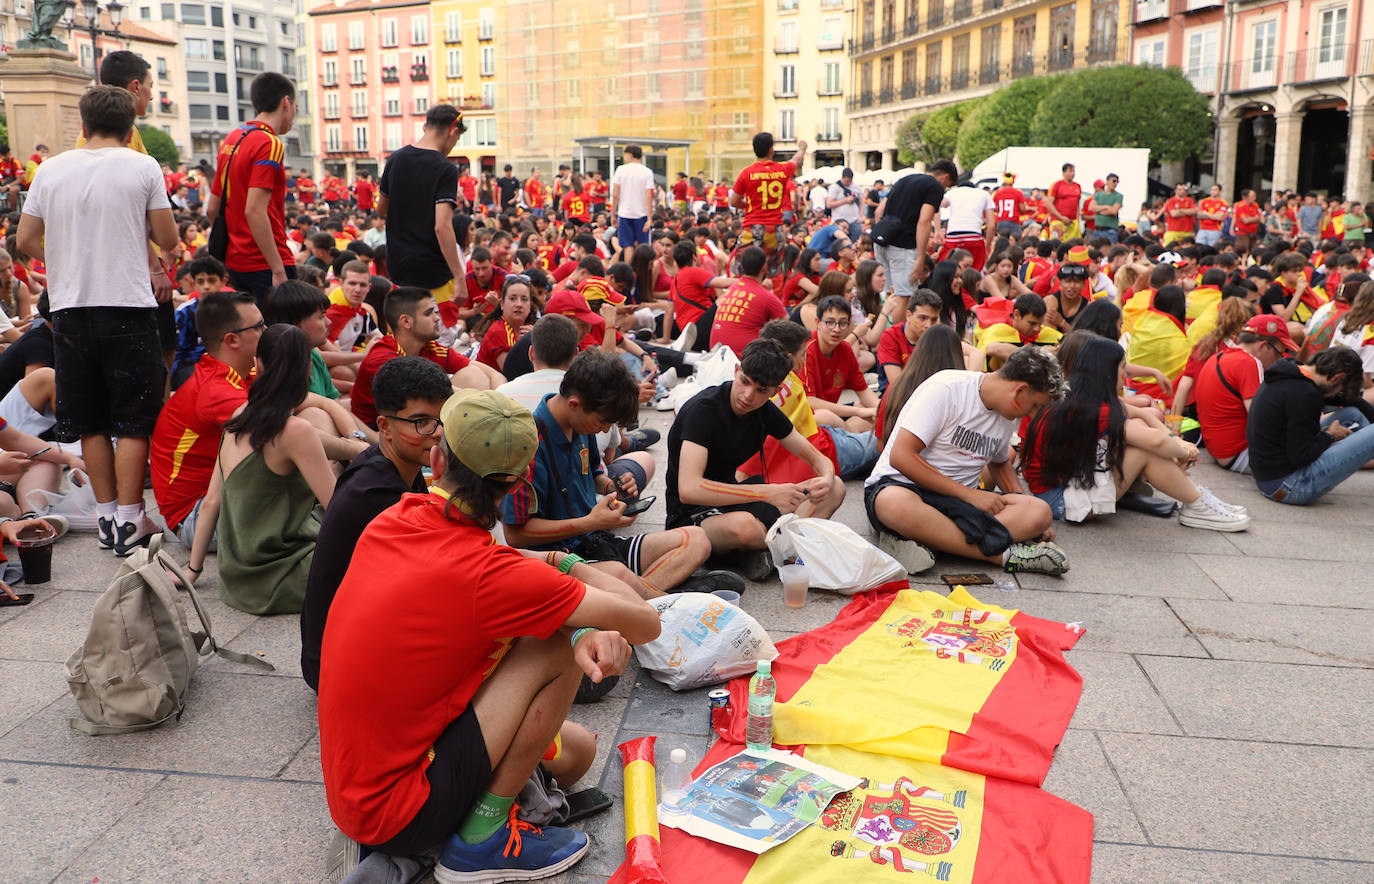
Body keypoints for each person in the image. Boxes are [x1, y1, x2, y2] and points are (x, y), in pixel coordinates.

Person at [317, 388, 659, 880]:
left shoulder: (397, 517)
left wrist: (565, 571)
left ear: (436, 460)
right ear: (520, 482)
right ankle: (481, 839)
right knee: (558, 643)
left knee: (578, 751)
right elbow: (647, 622)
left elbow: (507, 568)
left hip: (361, 787)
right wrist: (582, 605)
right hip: (401, 812)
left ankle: (482, 807)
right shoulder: (490, 574)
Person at [16, 85, 176, 556]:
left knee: (90, 419)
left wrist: (66, 258)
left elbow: (26, 238)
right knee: (131, 417)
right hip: (126, 304)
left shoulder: (50, 169)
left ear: (82, 125)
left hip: (69, 309)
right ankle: (130, 519)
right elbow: (167, 236)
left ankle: (106, 518)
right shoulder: (142, 165)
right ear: (131, 129)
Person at [502, 349, 742, 596]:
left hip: (598, 544)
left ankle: (642, 597)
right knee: (619, 575)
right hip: (562, 562)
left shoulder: (581, 424)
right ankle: (661, 597)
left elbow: (595, 472)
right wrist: (589, 522)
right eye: (603, 421)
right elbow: (516, 535)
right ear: (575, 404)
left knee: (696, 540)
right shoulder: (528, 446)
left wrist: (611, 486)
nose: (604, 430)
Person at [301, 356, 453, 691]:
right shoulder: (373, 492)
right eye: (422, 422)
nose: (437, 433)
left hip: (344, 650)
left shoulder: (392, 464)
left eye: (442, 420)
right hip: (338, 668)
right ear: (384, 426)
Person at [864, 347, 1071, 576]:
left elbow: (1000, 463)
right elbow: (901, 456)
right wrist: (969, 495)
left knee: (1039, 512)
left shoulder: (1007, 413)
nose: (1032, 415)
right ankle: (1002, 555)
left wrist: (1033, 524)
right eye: (1035, 406)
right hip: (905, 489)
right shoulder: (946, 388)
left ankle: (929, 540)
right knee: (892, 503)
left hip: (962, 508)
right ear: (1020, 390)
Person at [1020, 336, 1249, 529]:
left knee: (1144, 442)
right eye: (1122, 367)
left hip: (1059, 490)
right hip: (1060, 500)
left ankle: (1196, 498)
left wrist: (1173, 443)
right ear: (1107, 371)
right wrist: (1185, 450)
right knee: (1144, 451)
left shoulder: (1077, 396)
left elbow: (1143, 417)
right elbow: (1155, 441)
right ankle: (1197, 503)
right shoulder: (1091, 408)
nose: (1125, 374)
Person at [184, 325, 334, 614]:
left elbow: (211, 502)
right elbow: (340, 508)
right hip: (283, 574)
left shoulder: (238, 416)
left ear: (257, 364)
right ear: (307, 370)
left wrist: (193, 569)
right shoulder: (296, 431)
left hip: (238, 579)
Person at [666, 338, 843, 579]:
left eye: (761, 391)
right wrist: (767, 492)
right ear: (736, 371)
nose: (748, 396)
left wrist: (826, 477)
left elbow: (817, 458)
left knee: (836, 488)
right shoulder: (704, 411)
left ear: (775, 391)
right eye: (745, 382)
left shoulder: (764, 412)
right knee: (746, 528)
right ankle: (777, 550)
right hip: (690, 516)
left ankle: (770, 552)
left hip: (733, 500)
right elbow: (689, 489)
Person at [205, 73, 298, 303]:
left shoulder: (232, 138)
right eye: (296, 106)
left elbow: (212, 208)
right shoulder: (269, 143)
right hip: (266, 261)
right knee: (283, 336)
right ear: (286, 103)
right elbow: (254, 210)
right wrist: (278, 270)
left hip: (236, 262)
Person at [352, 287, 502, 426]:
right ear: (406, 322)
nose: (437, 318)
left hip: (416, 422)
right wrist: (491, 407)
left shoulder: (428, 347)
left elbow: (492, 373)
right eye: (429, 313)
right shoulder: (383, 358)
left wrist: (502, 401)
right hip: (380, 433)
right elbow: (439, 391)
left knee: (473, 374)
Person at [377, 105, 468, 332]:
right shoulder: (445, 169)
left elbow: (381, 209)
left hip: (399, 268)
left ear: (426, 126)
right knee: (438, 341)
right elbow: (442, 226)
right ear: (453, 131)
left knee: (405, 337)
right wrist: (459, 276)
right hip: (433, 272)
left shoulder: (395, 159)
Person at [1248, 345, 1374, 504]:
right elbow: (1300, 457)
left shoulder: (1292, 373)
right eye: (1340, 390)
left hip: (1267, 477)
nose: (1337, 395)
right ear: (1336, 378)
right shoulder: (1305, 394)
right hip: (1288, 486)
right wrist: (1329, 435)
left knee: (1352, 415)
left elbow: (1345, 400)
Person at [1193, 314, 1295, 473]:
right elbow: (1261, 418)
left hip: (1221, 450)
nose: (1279, 359)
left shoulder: (1218, 356)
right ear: (1262, 346)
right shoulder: (1250, 362)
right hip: (1239, 453)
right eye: (1278, 353)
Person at [872, 161, 956, 296]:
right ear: (945, 177)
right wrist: (921, 258)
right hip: (903, 246)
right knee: (904, 296)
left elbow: (878, 212)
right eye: (947, 186)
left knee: (888, 294)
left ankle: (886, 318)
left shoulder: (905, 179)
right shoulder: (935, 187)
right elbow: (924, 221)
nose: (945, 190)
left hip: (882, 241)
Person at [804, 295, 880, 432]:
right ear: (817, 322)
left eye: (842, 323)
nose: (837, 329)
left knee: (873, 412)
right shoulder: (806, 350)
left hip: (832, 414)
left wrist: (883, 411)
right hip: (807, 418)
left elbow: (863, 391)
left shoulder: (845, 349)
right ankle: (851, 438)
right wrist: (857, 412)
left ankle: (849, 436)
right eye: (830, 322)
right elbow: (810, 402)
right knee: (825, 417)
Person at [730, 133, 807, 268]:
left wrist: (749, 205)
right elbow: (796, 159)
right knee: (774, 270)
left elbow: (734, 201)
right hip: (775, 229)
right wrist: (802, 148)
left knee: (743, 268)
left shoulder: (746, 173)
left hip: (752, 228)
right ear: (772, 150)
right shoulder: (783, 169)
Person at [709, 246, 786, 355]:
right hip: (744, 359)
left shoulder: (733, 288)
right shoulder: (766, 296)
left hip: (716, 353)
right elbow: (785, 324)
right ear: (764, 268)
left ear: (742, 268)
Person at [977, 293, 1063, 371]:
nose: (1037, 329)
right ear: (1016, 315)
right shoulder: (998, 329)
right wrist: (1039, 353)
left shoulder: (1044, 332)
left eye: (1040, 323)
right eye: (1032, 323)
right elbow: (992, 349)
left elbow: (1067, 345)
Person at [937, 176, 995, 271]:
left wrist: (937, 230)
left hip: (953, 237)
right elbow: (991, 226)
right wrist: (986, 248)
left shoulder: (951, 193)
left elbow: (936, 205)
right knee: (975, 273)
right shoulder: (984, 194)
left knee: (945, 270)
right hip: (974, 237)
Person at [609, 145, 656, 254]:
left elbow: (615, 194)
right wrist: (649, 218)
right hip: (642, 214)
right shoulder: (647, 172)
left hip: (625, 213)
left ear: (630, 154)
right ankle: (642, 270)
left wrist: (612, 214)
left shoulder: (620, 170)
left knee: (627, 246)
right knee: (643, 246)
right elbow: (649, 196)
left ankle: (628, 269)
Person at [1047, 163, 1082, 239]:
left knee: (1074, 244)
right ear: (1064, 172)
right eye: (1070, 171)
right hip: (1058, 221)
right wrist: (1061, 217)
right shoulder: (1057, 185)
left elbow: (1077, 205)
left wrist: (1078, 221)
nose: (1073, 174)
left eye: (1073, 171)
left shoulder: (1077, 186)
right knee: (1056, 244)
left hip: (1072, 222)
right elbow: (1048, 204)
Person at [1087, 173, 1123, 244]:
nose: (1115, 183)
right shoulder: (1098, 195)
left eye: (1117, 182)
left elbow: (1114, 211)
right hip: (1098, 229)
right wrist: (1107, 207)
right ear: (1107, 181)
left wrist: (1098, 211)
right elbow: (1091, 207)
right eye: (1113, 181)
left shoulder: (1118, 196)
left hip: (1111, 230)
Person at [991, 172, 1025, 239]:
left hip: (1000, 221)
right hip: (1013, 220)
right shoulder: (1018, 193)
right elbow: (1022, 209)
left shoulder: (997, 193)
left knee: (1002, 241)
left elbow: (994, 208)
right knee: (1016, 241)